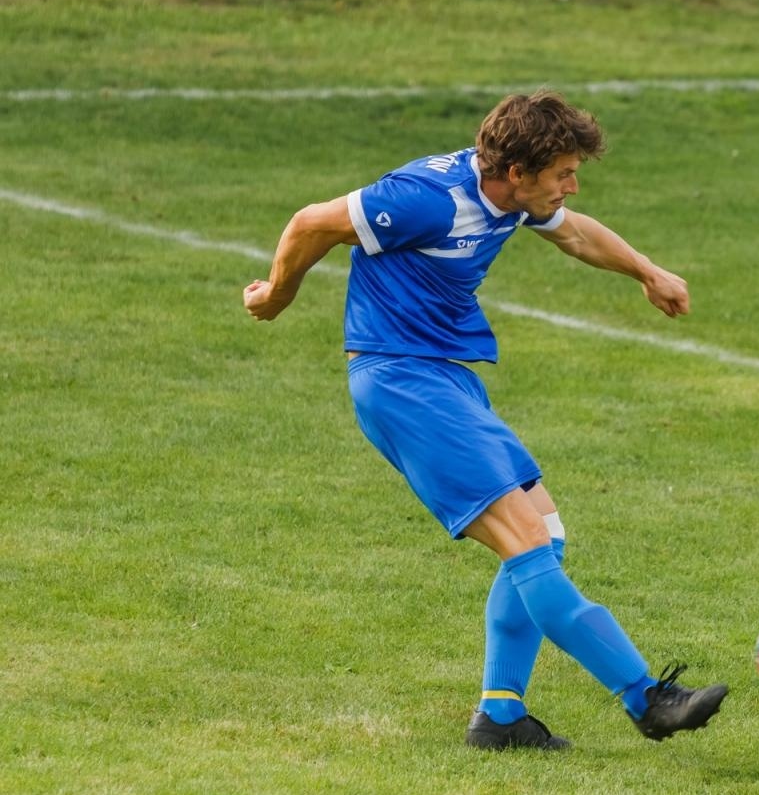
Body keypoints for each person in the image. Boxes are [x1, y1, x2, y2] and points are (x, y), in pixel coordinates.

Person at [243, 91, 727, 748]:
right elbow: (310, 224)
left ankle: (501, 718)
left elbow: (576, 232)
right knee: (526, 545)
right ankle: (647, 697)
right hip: (401, 381)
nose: (572, 185)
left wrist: (646, 271)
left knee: (545, 535)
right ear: (518, 172)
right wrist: (276, 295)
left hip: (446, 379)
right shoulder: (424, 200)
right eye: (562, 174)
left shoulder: (514, 198)